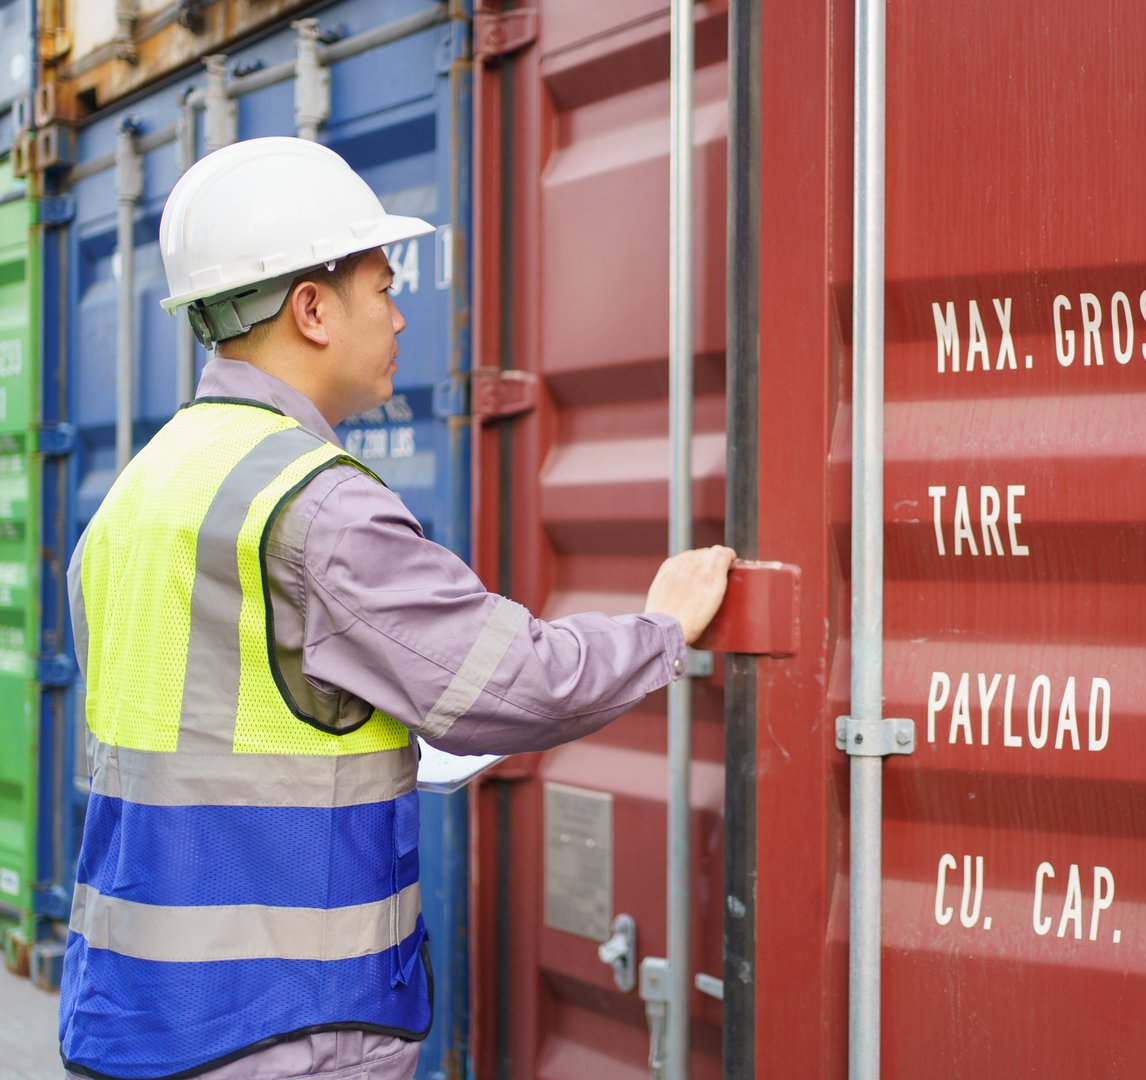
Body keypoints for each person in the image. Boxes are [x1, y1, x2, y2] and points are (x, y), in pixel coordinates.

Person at [58, 136, 734, 1080]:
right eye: (383, 286)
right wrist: (662, 627)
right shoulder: (314, 503)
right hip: (280, 1028)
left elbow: (220, 725)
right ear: (311, 308)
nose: (401, 314)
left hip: (129, 1015)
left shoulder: (135, 494)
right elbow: (521, 680)